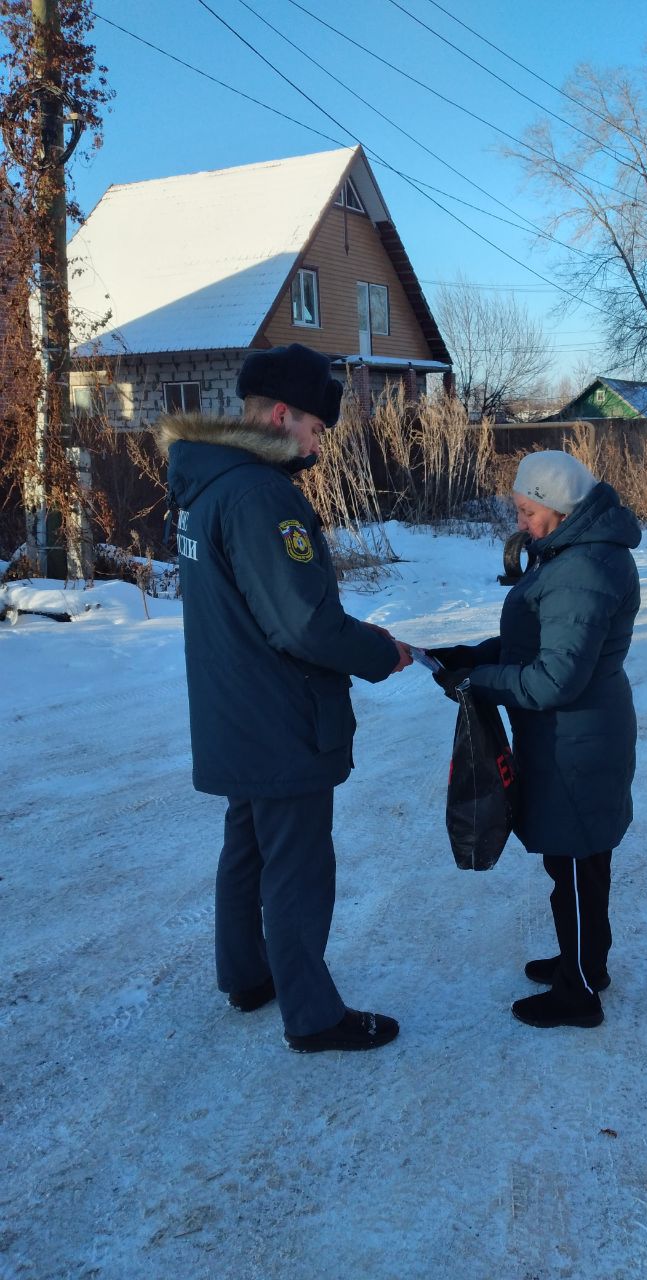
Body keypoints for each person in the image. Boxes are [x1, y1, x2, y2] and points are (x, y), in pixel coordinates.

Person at [158, 343, 411, 1053]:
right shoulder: (261, 496)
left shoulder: (207, 486)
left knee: (247, 849)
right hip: (280, 717)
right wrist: (377, 649)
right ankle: (312, 1015)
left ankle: (248, 975)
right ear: (281, 414)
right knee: (297, 866)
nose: (318, 443)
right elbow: (302, 622)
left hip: (234, 711)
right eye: (317, 429)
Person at [429, 450, 641, 1030]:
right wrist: (472, 656)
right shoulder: (572, 553)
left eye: (527, 510)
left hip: (574, 740)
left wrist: (479, 681)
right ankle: (586, 964)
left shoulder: (583, 568)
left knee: (573, 863)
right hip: (574, 736)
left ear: (557, 505)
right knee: (582, 860)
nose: (520, 521)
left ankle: (578, 994)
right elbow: (539, 645)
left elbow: (554, 679)